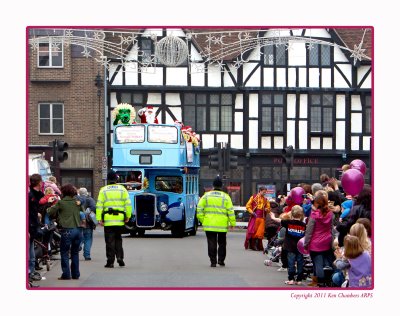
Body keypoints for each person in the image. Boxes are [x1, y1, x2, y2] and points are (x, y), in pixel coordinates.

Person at [196, 176, 236, 267]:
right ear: (221, 186)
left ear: (213, 185)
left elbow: (199, 209)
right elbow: (230, 211)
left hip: (209, 224)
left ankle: (213, 262)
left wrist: (203, 220)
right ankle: (221, 261)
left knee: (211, 243)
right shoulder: (226, 197)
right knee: (222, 243)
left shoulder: (206, 196)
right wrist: (232, 223)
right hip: (222, 226)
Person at [96, 170, 132, 268]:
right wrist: (128, 216)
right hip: (120, 220)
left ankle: (110, 261)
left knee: (109, 241)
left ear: (108, 179)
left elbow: (99, 205)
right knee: (118, 239)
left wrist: (99, 218)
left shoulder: (103, 190)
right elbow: (128, 204)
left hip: (108, 220)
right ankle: (120, 257)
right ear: (116, 179)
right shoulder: (122, 189)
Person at [47, 184, 83, 280]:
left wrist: (49, 203)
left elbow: (49, 212)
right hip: (78, 230)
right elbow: (82, 211)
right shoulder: (77, 202)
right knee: (75, 252)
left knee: (64, 252)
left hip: (67, 230)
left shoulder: (61, 203)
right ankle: (76, 274)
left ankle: (66, 274)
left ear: (63, 192)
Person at [303, 190, 335, 287]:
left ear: (317, 204)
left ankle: (319, 282)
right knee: (326, 262)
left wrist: (306, 243)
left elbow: (309, 231)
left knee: (317, 263)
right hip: (327, 240)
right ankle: (324, 280)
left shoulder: (314, 215)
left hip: (315, 242)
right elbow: (331, 228)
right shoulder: (330, 214)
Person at [270, 205, 307, 285]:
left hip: (290, 247)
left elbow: (279, 220)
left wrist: (273, 217)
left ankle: (291, 279)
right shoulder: (303, 225)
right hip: (300, 248)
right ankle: (299, 280)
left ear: (291, 214)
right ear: (301, 215)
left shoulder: (288, 223)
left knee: (291, 263)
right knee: (300, 263)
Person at [28, 173, 45, 286]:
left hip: (33, 226)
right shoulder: (31, 196)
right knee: (30, 252)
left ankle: (31, 272)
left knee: (31, 252)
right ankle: (30, 273)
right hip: (31, 226)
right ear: (39, 182)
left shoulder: (34, 194)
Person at [244, 186, 271, 251]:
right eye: (264, 192)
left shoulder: (266, 200)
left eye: (265, 192)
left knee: (260, 233)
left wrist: (267, 209)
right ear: (260, 191)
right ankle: (253, 245)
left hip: (262, 218)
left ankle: (257, 246)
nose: (264, 193)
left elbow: (269, 209)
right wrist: (252, 212)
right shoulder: (253, 197)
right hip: (255, 217)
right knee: (253, 231)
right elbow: (248, 206)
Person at [77, 187, 97, 260]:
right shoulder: (90, 199)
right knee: (88, 238)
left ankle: (78, 247)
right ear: (86, 192)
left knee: (80, 237)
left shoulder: (77, 199)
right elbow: (94, 208)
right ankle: (87, 255)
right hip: (88, 222)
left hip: (78, 222)